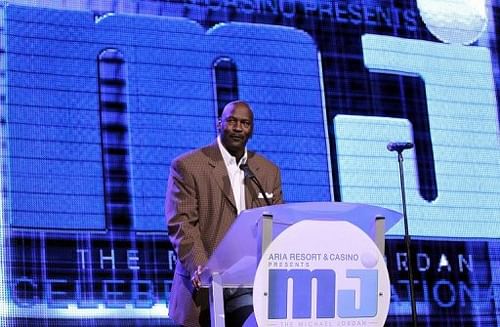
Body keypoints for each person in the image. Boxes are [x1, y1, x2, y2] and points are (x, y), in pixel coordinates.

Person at [165, 100, 284, 327]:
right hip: (203, 290)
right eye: (231, 121)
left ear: (252, 129)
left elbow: (277, 222)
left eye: (245, 123)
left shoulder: (268, 171)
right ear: (219, 123)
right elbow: (182, 224)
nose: (238, 127)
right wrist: (202, 267)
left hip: (254, 286)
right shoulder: (189, 166)